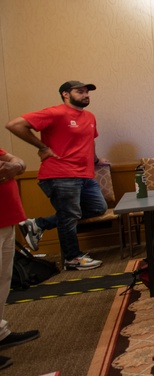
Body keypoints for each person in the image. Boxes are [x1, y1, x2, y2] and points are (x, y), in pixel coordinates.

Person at [8, 80, 108, 270]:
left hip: (85, 175)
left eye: (87, 92)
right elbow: (15, 125)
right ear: (65, 94)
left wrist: (95, 161)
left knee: (97, 208)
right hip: (60, 174)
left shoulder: (90, 117)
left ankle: (38, 223)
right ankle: (72, 258)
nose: (86, 95)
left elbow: (89, 142)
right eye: (80, 92)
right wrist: (43, 147)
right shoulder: (55, 113)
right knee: (69, 216)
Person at [0, 149, 41, 369]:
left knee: (3, 279)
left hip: (6, 218)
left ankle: (0, 332)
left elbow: (19, 161)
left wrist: (15, 166)